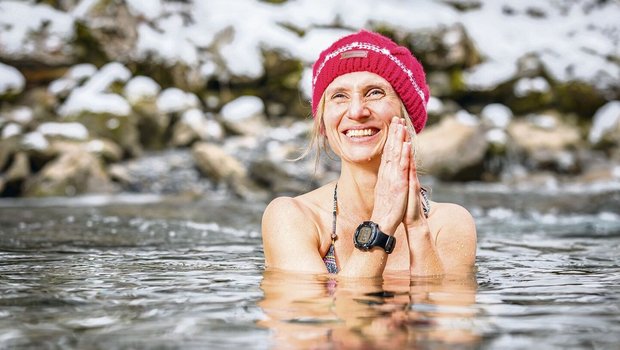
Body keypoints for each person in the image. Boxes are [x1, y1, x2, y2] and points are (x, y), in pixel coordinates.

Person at [261, 29, 477, 278]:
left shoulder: (448, 223)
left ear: (405, 114)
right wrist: (382, 222)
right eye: (339, 96)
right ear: (323, 121)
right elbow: (333, 312)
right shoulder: (292, 217)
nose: (356, 111)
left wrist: (417, 229)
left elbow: (443, 313)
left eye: (374, 92)